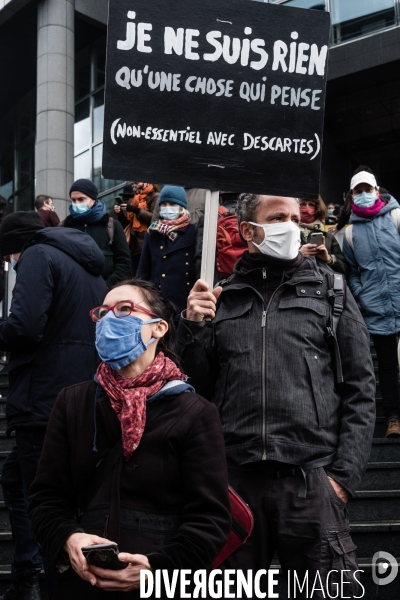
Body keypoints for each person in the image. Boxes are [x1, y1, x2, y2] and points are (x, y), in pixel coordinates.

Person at [177, 194, 376, 599]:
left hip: (311, 481)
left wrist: (341, 479)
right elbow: (197, 389)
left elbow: (361, 385)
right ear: (249, 231)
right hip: (238, 483)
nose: (291, 224)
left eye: (294, 216)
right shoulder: (222, 297)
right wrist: (193, 325)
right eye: (278, 217)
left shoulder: (331, 290)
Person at [28, 279, 231, 599]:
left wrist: (156, 571)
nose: (109, 319)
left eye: (124, 310)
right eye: (103, 312)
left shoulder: (194, 412)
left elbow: (210, 520)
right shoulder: (73, 403)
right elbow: (47, 498)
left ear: (159, 328)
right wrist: (69, 538)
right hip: (82, 586)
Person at [0, 211, 107, 600]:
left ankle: (47, 584)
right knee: (16, 479)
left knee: (43, 501)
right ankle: (28, 569)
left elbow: (25, 326)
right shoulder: (88, 264)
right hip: (83, 393)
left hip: (44, 396)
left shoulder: (36, 256)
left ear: (14, 246)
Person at [343, 170, 400, 438]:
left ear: (378, 191)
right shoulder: (349, 233)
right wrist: (361, 293)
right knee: (387, 366)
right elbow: (352, 271)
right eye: (358, 190)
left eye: (368, 189)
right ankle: (393, 418)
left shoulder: (397, 217)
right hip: (375, 309)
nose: (364, 194)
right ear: (351, 196)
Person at [137, 186, 197, 320]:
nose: (167, 207)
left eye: (172, 204)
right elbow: (143, 272)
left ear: (181, 207)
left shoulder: (193, 232)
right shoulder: (152, 234)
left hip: (185, 306)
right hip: (158, 306)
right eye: (164, 204)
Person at [62, 179, 131, 288]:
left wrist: (107, 286)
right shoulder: (65, 226)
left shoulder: (111, 225)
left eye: (81, 199)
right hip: (73, 291)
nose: (77, 204)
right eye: (73, 200)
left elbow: (124, 262)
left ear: (93, 199)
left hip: (104, 292)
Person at [114, 183, 159, 276]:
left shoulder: (155, 197)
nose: (134, 185)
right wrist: (120, 214)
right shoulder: (134, 198)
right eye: (133, 183)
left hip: (147, 242)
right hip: (134, 245)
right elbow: (128, 223)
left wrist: (135, 210)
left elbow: (154, 219)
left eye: (136, 182)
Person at [299, 196, 348, 275]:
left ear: (317, 208)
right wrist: (298, 255)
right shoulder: (289, 235)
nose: (307, 208)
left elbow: (345, 269)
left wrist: (329, 259)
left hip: (323, 284)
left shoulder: (328, 237)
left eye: (311, 204)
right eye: (302, 204)